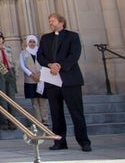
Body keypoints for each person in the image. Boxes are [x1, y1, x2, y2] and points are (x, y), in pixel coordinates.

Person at [37, 13, 91, 152]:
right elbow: (40, 55)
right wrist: (49, 65)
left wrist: (59, 66)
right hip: (52, 80)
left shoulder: (72, 36)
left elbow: (74, 54)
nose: (51, 23)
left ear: (61, 22)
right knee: (56, 113)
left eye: (53, 21)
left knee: (76, 112)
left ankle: (84, 141)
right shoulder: (45, 38)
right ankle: (59, 141)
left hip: (70, 79)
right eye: (49, 21)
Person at [19, 35, 48, 124]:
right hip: (30, 79)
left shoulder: (41, 52)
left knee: (43, 101)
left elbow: (46, 63)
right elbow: (22, 65)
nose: (32, 43)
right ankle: (38, 120)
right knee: (34, 101)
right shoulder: (23, 53)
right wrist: (31, 74)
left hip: (41, 78)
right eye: (30, 42)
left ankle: (45, 119)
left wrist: (40, 74)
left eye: (33, 41)